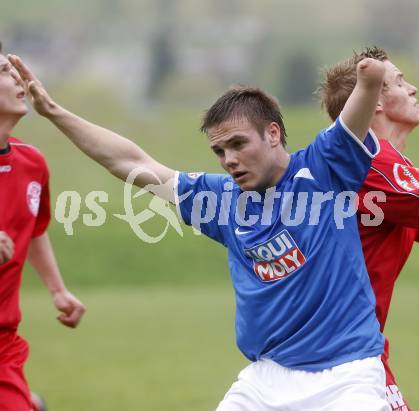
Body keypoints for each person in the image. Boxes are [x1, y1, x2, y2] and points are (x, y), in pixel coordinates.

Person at [9, 52, 391, 410]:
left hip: (348, 375)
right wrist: (54, 112)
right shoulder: (220, 200)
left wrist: (370, 81)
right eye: (220, 151)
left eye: (239, 144)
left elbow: (352, 119)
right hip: (266, 378)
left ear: (273, 134)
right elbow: (130, 161)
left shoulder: (323, 170)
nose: (229, 160)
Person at [319, 46, 419, 411]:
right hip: (342, 356)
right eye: (400, 82)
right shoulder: (374, 163)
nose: (413, 89)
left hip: (348, 348)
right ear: (376, 103)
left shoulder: (381, 167)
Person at [0, 42, 86, 411]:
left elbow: (32, 228)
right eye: (4, 71)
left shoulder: (31, 163)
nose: (17, 76)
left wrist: (57, 290)